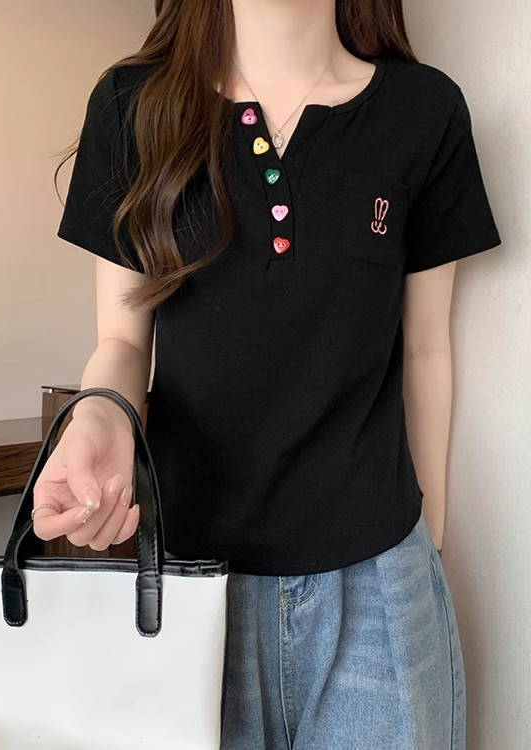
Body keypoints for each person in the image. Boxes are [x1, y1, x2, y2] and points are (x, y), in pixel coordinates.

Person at [36, 0, 502, 747]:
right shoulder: (133, 105)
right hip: (191, 580)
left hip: (380, 575)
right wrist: (98, 414)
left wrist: (430, 537)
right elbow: (121, 339)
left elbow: (426, 347)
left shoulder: (425, 111)